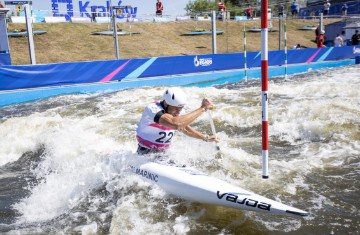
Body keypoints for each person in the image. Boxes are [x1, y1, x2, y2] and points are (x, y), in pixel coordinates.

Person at [136, 87, 219, 155]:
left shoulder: (176, 111)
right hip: (145, 152)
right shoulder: (152, 109)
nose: (178, 111)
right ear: (165, 103)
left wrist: (205, 138)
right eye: (175, 108)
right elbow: (176, 124)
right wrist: (203, 108)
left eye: (181, 108)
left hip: (164, 153)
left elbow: (184, 128)